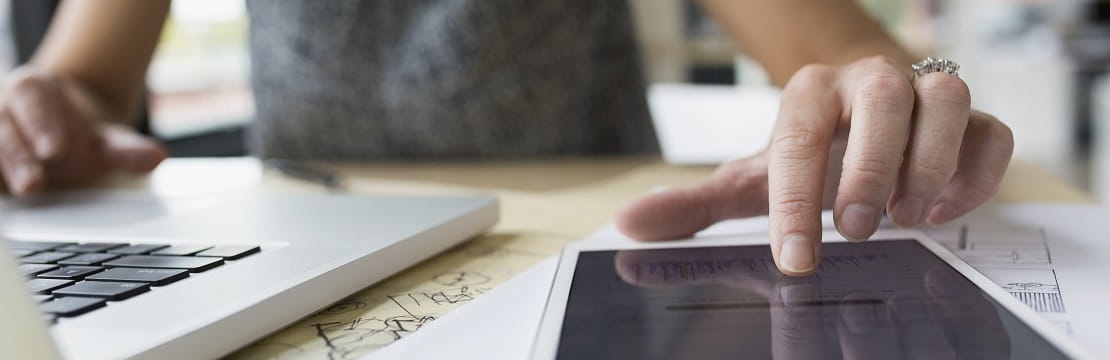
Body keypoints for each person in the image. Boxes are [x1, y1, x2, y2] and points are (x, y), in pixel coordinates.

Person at [0, 0, 1013, 276]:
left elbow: (844, 49)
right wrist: (35, 103)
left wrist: (907, 85)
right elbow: (82, 83)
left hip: (592, 256)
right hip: (309, 247)